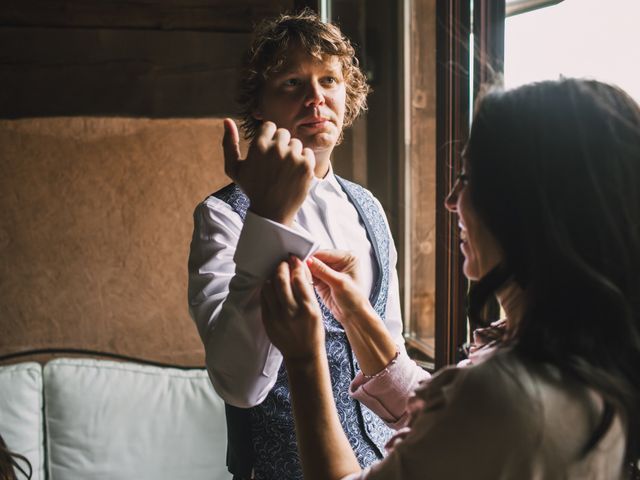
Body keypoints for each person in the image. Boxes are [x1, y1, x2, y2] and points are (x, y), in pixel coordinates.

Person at [261, 78, 640, 479]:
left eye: (469, 179)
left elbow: (470, 419)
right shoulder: (588, 357)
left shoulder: (505, 395)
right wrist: (356, 315)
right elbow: (457, 435)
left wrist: (305, 359)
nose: (451, 200)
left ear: (527, 208)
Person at [187, 9, 407, 479]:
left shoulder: (369, 208)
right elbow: (239, 386)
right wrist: (268, 218)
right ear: (259, 106)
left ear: (347, 95)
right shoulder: (223, 216)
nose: (316, 98)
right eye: (292, 82)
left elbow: (393, 347)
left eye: (329, 80)